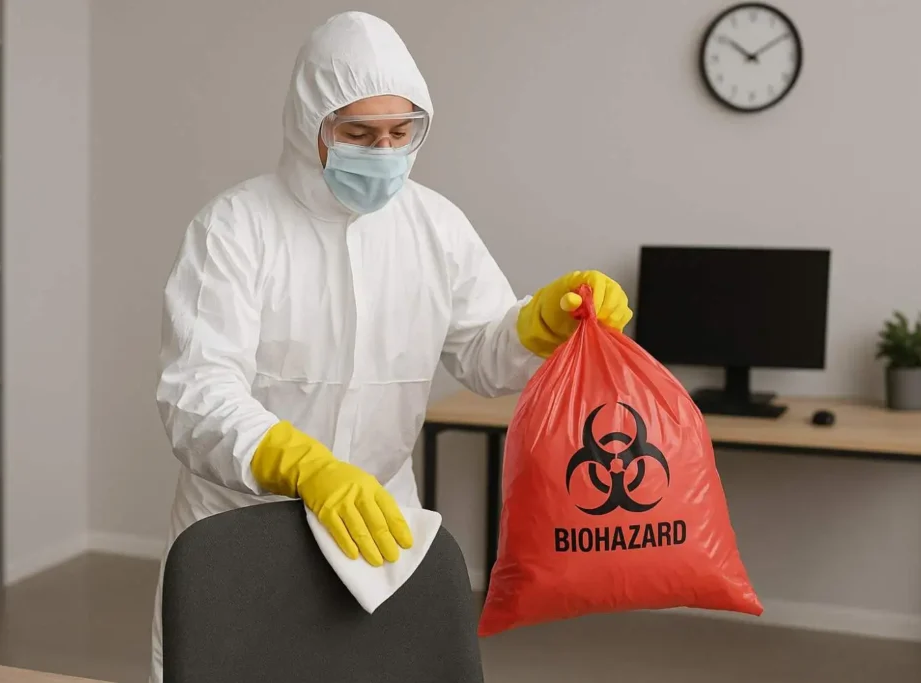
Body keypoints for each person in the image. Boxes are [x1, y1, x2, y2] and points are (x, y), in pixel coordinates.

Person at [148, 10, 631, 682]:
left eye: (401, 132)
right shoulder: (235, 228)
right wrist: (304, 465)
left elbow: (484, 352)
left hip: (376, 528)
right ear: (309, 125)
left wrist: (540, 321)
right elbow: (196, 395)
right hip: (242, 532)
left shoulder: (436, 226)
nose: (383, 152)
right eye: (359, 134)